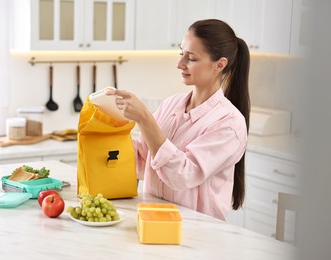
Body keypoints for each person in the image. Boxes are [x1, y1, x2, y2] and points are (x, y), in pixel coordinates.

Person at [106, 19, 250, 221]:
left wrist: (144, 118)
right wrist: (106, 132)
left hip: (197, 232)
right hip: (153, 219)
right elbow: (145, 159)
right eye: (181, 53)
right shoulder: (171, 104)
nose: (180, 64)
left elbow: (182, 174)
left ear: (220, 64)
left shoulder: (230, 123)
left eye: (191, 58)